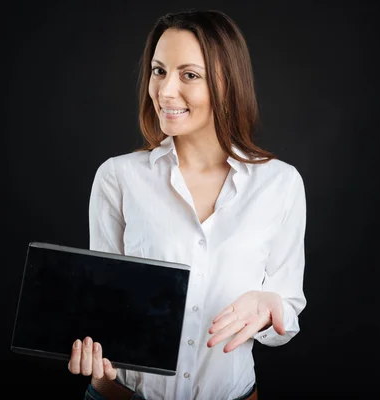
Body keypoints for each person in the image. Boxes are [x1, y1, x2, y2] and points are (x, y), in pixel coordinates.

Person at [68, 9, 307, 400]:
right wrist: (96, 362)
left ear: (227, 84)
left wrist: (269, 307)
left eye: (189, 75)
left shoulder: (279, 184)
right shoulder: (118, 178)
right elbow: (102, 307)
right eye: (159, 70)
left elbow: (288, 307)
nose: (165, 91)